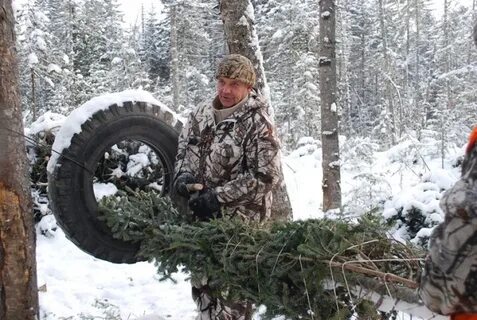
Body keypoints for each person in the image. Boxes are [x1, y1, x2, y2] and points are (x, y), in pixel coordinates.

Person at [172, 54, 282, 320]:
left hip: (241, 232)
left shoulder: (258, 123)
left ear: (248, 87)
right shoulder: (200, 115)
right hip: (201, 223)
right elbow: (183, 155)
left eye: (234, 84)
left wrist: (218, 198)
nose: (226, 90)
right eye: (222, 81)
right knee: (203, 292)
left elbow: (266, 177)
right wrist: (183, 180)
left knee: (233, 302)